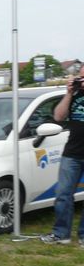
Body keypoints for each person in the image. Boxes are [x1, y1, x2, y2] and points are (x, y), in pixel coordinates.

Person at [41, 69, 84, 246]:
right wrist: (68, 93)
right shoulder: (74, 95)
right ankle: (61, 234)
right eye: (81, 77)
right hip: (72, 152)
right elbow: (58, 116)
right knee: (63, 194)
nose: (82, 80)